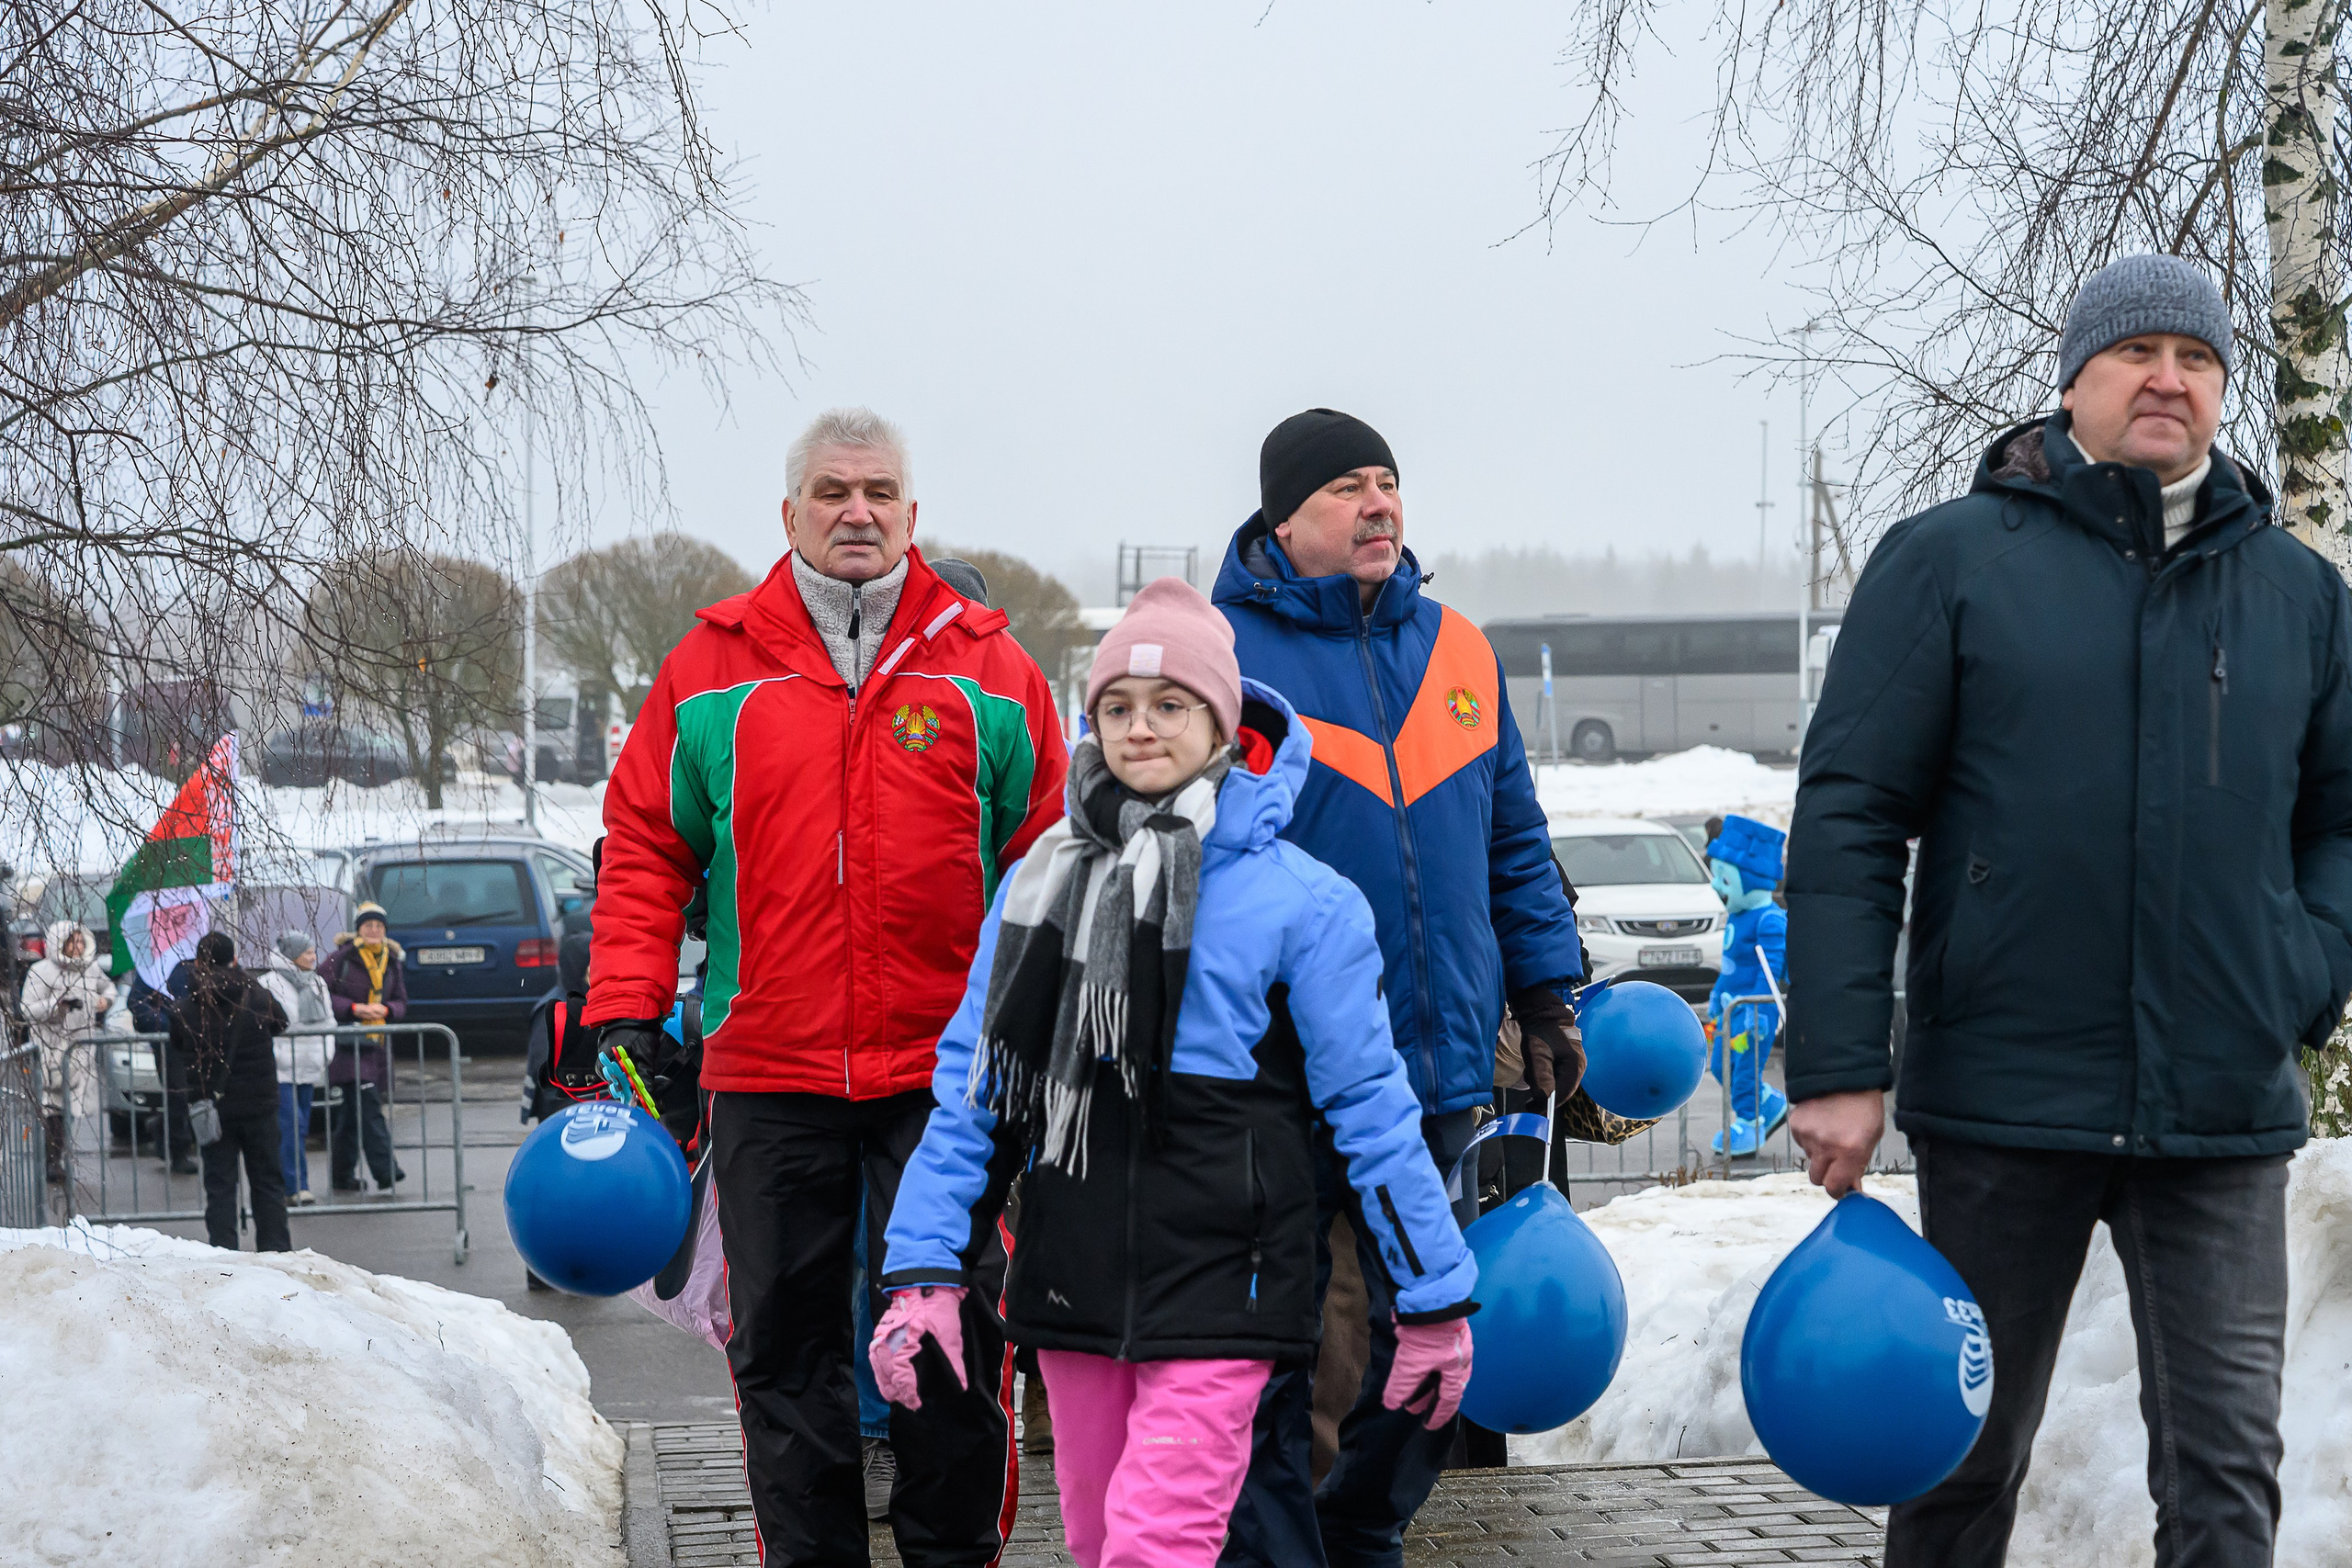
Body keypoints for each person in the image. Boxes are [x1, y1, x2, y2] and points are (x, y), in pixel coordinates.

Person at [1785, 254, 2352, 1568]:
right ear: (2074, 378)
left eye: (2199, 358)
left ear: (2222, 389)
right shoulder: (1950, 561)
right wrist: (1837, 1064)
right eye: (2139, 351)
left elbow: (2338, 817)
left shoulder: (2299, 596)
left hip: (2221, 1101)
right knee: (1960, 1460)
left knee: (2224, 1480)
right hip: (2003, 1094)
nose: (2171, 378)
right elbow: (1853, 808)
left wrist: (2304, 969)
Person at [876, 581, 1476, 1568]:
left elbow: (1372, 1112)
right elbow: (974, 1101)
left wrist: (1433, 1299)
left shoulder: (1303, 904)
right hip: (1072, 1288)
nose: (1139, 728)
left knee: (1156, 1548)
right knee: (1098, 1539)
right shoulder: (1037, 886)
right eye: (1117, 706)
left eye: (1168, 706)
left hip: (1225, 1292)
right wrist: (923, 1273)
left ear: (1223, 726)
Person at [587, 407, 1069, 1564]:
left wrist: (1042, 1027)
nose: (858, 511)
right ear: (789, 512)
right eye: (833, 491)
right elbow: (646, 844)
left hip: (948, 1081)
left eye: (881, 492)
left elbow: (1048, 857)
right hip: (771, 1066)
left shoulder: (990, 669)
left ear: (913, 513)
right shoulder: (710, 669)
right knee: (787, 1354)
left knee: (955, 1347)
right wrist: (624, 1006)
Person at [1209, 408, 1584, 1567]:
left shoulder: (1460, 649)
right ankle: (1287, 1545)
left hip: (1438, 1065)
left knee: (1421, 1340)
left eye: (1388, 482)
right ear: (1284, 521)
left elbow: (1512, 839)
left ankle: (1361, 1523)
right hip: (1278, 1074)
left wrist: (1546, 996)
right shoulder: (1222, 660)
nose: (1378, 504)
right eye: (1345, 489)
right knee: (1290, 1347)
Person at [173, 931, 291, 1250]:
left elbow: (177, 1042)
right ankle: (276, 1252)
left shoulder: (187, 1007)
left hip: (214, 1110)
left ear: (198, 964)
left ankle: (224, 1254)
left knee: (220, 1186)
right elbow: (282, 1022)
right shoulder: (258, 997)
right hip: (260, 1105)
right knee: (268, 1183)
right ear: (234, 960)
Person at [1702, 816, 1789, 1157]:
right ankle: (1769, 1104)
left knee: (1743, 1072)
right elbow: (1729, 968)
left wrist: (1756, 1011)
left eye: (1724, 878)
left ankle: (1751, 1124)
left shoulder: (1769, 920)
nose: (1716, 887)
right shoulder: (1739, 918)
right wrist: (1714, 998)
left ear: (1751, 880)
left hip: (1755, 1014)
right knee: (1721, 1067)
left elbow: (1770, 971)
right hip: (1730, 1011)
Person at [321, 901, 407, 1193]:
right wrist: (354, 1008)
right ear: (358, 929)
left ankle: (341, 1176)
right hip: (350, 1046)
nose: (373, 931)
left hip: (378, 1045)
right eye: (368, 926)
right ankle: (386, 1171)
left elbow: (401, 1000)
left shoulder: (392, 960)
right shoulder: (340, 959)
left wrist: (386, 1011)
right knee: (369, 1108)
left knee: (351, 1115)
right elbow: (321, 993)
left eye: (379, 926)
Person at [23, 921, 114, 1182]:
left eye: (81, 941)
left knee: (70, 1108)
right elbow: (28, 1010)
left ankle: (57, 1156)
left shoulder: (91, 969)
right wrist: (57, 1005)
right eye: (72, 942)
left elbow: (109, 989)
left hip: (80, 1049)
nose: (78, 947)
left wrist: (104, 1001)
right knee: (53, 1107)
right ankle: (51, 1160)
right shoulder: (41, 971)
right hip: (51, 1047)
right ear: (59, 943)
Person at [260, 930, 335, 1205]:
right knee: (290, 1125)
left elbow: (328, 1021)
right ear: (293, 955)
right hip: (281, 1070)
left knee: (301, 1127)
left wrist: (325, 1053)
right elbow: (269, 1027)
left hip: (309, 1067)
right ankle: (295, 1186)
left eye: (314, 951)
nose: (314, 957)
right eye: (307, 953)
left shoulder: (317, 983)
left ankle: (289, 1183)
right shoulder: (269, 984)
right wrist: (276, 1058)